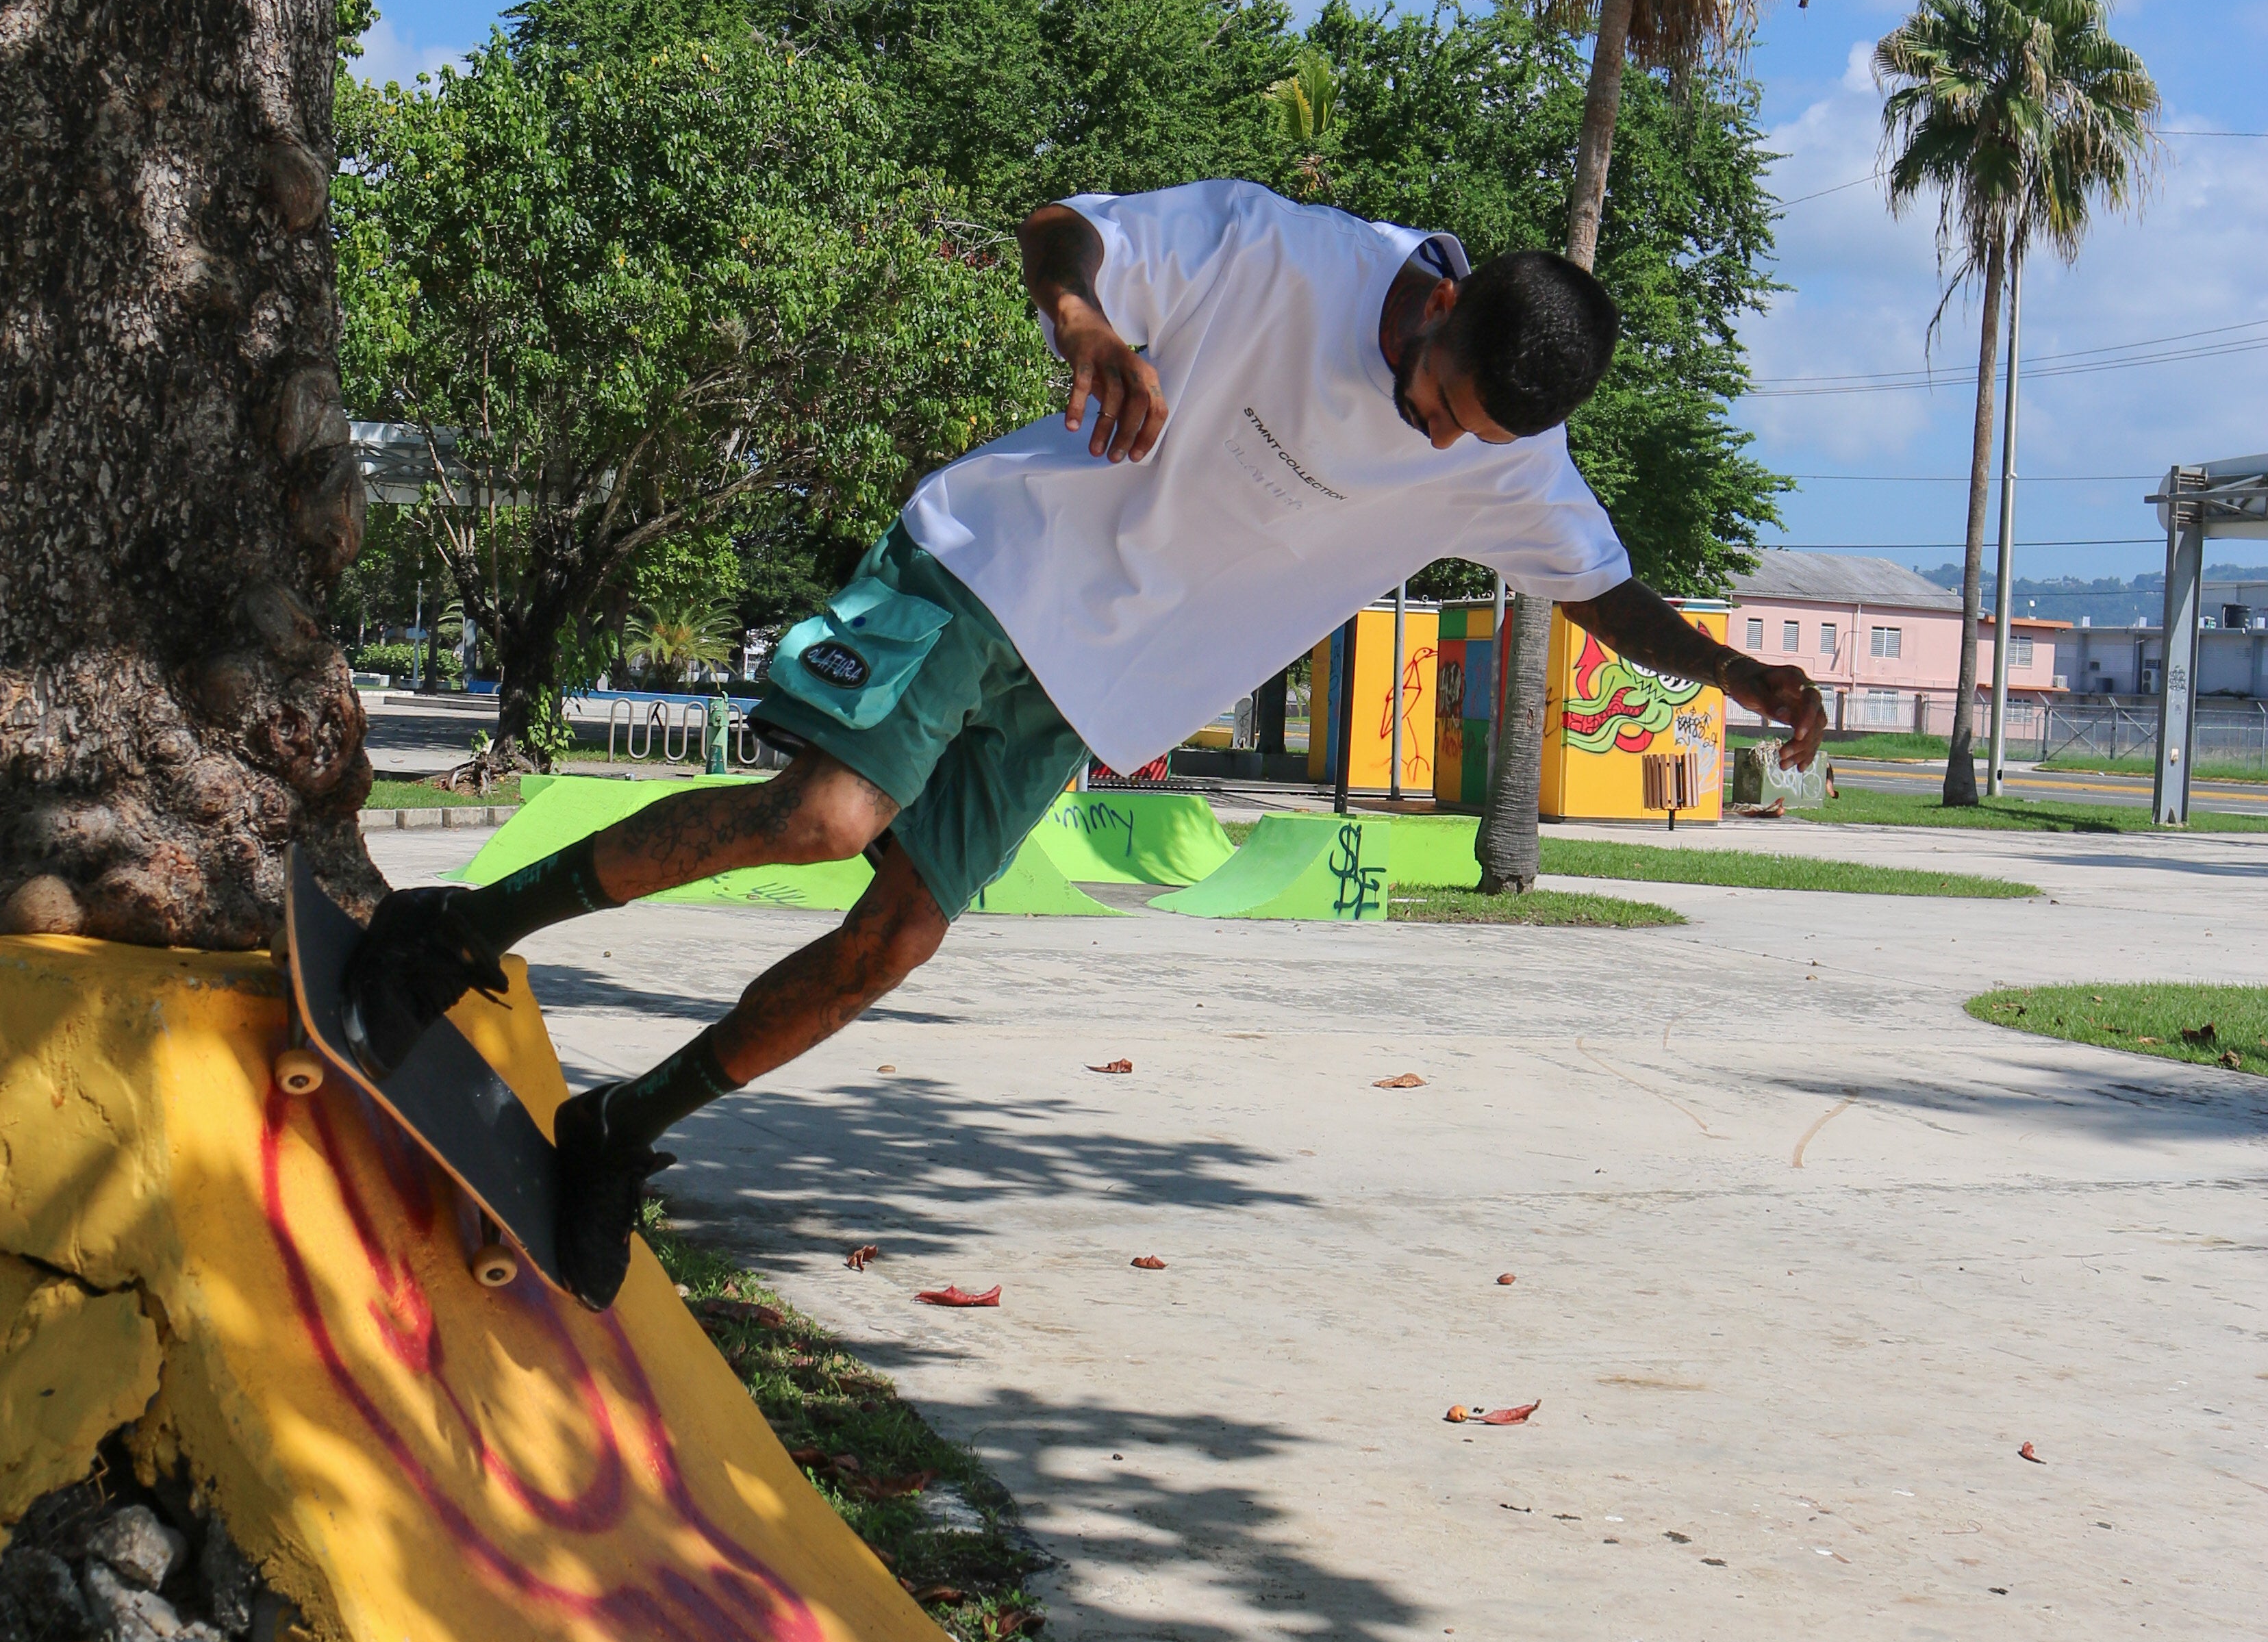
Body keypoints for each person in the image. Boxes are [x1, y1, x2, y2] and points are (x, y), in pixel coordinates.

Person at [346, 181, 1826, 1302]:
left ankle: (618, 1129)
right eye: (1438, 405)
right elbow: (1067, 230)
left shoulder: (1510, 454)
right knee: (824, 816)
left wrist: (1731, 669)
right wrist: (1087, 324)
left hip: (1089, 684)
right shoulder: (1280, 254)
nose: (1443, 444)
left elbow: (1598, 587)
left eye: (1472, 440)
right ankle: (457, 929)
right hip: (996, 563)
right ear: (1437, 305)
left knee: (890, 944)